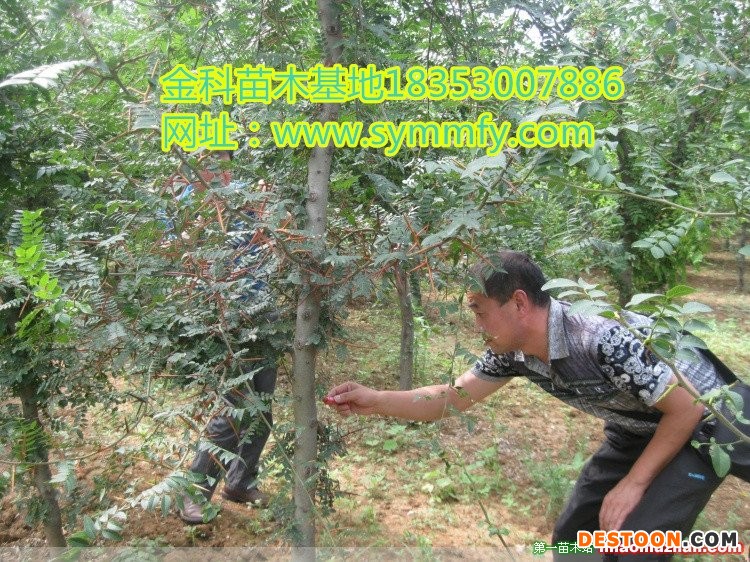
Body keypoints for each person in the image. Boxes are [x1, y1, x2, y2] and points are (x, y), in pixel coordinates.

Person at [325, 250, 749, 560]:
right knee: (572, 541)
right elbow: (452, 398)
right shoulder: (511, 352)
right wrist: (375, 400)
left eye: (479, 311)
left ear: (519, 303)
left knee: (636, 547)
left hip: (709, 422)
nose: (475, 324)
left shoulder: (601, 338)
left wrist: (633, 484)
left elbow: (686, 409)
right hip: (638, 427)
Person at [164, 150, 279, 524]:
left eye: (223, 159)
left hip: (261, 311)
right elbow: (174, 256)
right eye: (209, 159)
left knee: (262, 406)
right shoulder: (182, 204)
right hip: (220, 319)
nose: (217, 169)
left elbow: (268, 239)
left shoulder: (245, 194)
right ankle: (194, 491)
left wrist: (266, 211)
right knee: (234, 408)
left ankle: (240, 482)